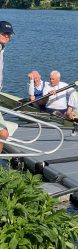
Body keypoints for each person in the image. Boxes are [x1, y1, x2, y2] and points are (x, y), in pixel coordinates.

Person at [0, 21, 14, 153]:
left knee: (3, 134)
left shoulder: (2, 48)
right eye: (4, 33)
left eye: (9, 34)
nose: (7, 36)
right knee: (3, 133)